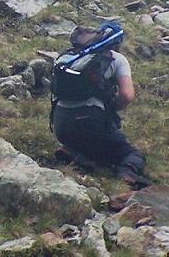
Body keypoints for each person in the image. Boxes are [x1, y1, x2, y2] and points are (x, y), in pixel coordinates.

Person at [51, 20, 150, 188]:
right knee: (131, 153)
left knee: (92, 146)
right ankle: (127, 174)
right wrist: (112, 108)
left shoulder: (68, 57)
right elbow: (127, 96)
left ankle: (76, 154)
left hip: (60, 124)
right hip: (91, 122)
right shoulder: (116, 59)